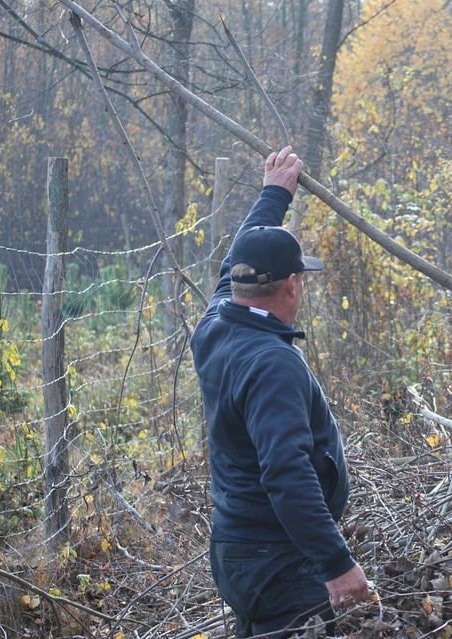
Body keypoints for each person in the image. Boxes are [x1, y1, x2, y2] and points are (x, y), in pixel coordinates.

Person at [191, 146, 368, 638]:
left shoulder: (216, 323)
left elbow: (234, 263)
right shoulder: (272, 363)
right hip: (277, 563)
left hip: (239, 549)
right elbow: (286, 473)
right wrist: (336, 563)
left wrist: (274, 196)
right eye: (302, 279)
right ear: (292, 286)